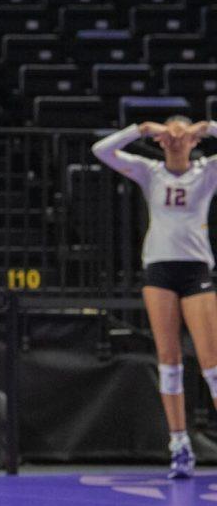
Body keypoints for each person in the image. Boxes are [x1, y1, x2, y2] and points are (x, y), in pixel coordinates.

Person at [92, 117, 217, 480]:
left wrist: (206, 127)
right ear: (162, 142)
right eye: (170, 136)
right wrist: (142, 130)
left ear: (192, 141)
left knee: (211, 362)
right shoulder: (150, 172)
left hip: (196, 270)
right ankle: (178, 444)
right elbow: (101, 150)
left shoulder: (206, 172)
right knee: (168, 360)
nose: (176, 140)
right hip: (159, 270)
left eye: (182, 135)